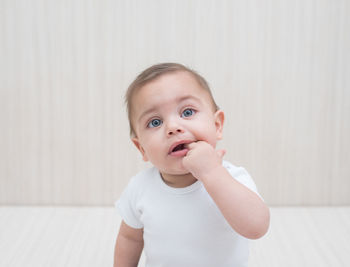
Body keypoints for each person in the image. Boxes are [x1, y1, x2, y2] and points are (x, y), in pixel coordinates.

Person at [114, 63, 270, 267]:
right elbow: (130, 238)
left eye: (187, 112)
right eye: (155, 122)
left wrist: (212, 172)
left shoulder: (232, 178)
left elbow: (256, 227)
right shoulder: (140, 188)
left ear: (217, 125)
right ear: (141, 148)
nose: (172, 127)